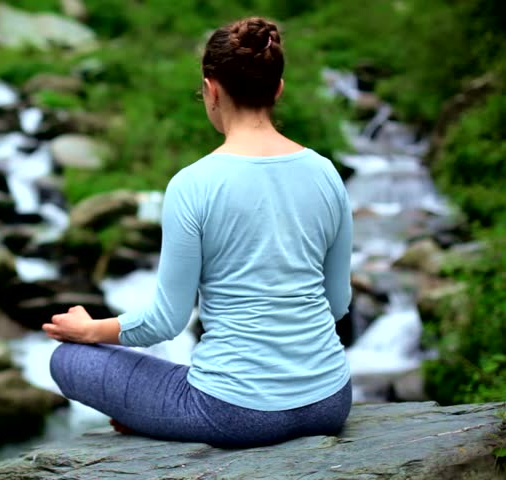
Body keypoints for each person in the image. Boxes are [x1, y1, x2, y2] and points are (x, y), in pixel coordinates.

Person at [43, 16, 353, 448]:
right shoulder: (326, 174)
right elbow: (338, 304)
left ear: (211, 89)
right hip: (330, 401)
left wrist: (90, 329)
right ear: (277, 89)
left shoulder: (193, 184)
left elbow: (165, 322)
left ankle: (158, 417)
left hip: (233, 413)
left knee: (68, 360)